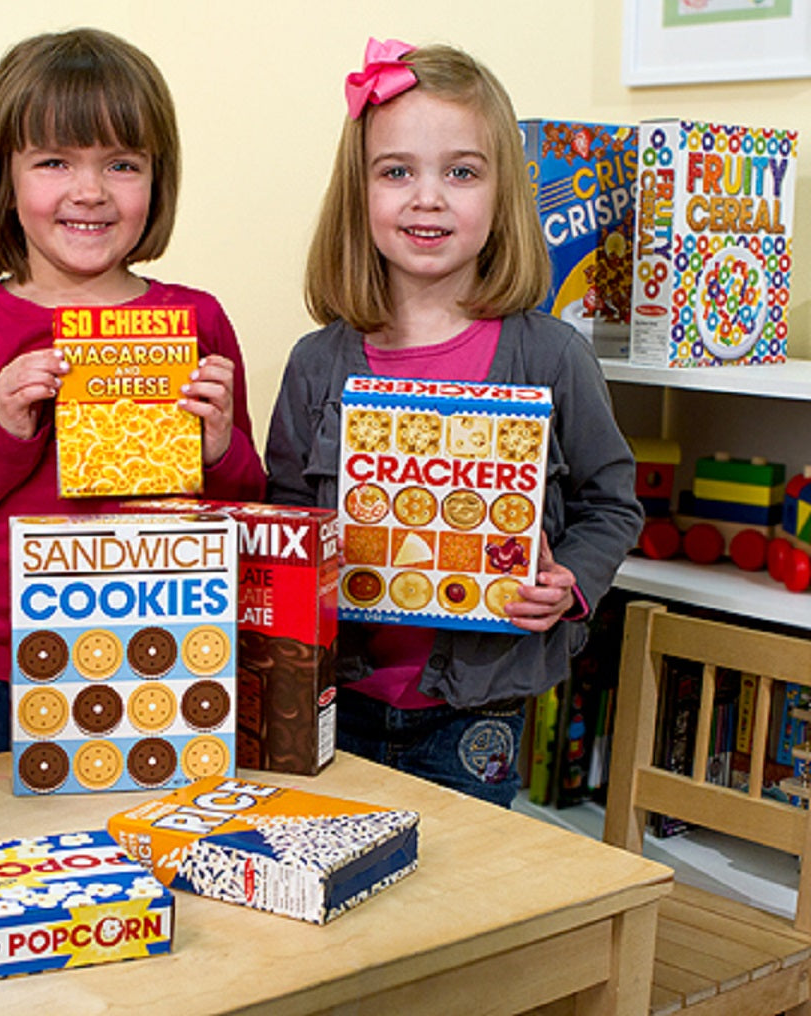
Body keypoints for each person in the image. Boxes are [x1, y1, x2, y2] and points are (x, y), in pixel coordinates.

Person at [265, 39, 642, 807]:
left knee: (463, 899)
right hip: (338, 699)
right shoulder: (316, 364)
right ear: (358, 193)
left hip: (479, 708)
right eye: (396, 170)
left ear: (503, 194)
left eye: (461, 171)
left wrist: (569, 586)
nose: (427, 197)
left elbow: (612, 504)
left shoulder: (551, 356)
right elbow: (281, 515)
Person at [0, 28, 265, 760]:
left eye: (121, 164)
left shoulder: (198, 320)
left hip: (171, 657)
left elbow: (250, 506)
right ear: (7, 176)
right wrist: (2, 432)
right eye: (55, 161)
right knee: (10, 871)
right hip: (2, 674)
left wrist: (220, 451)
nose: (89, 191)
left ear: (158, 179)